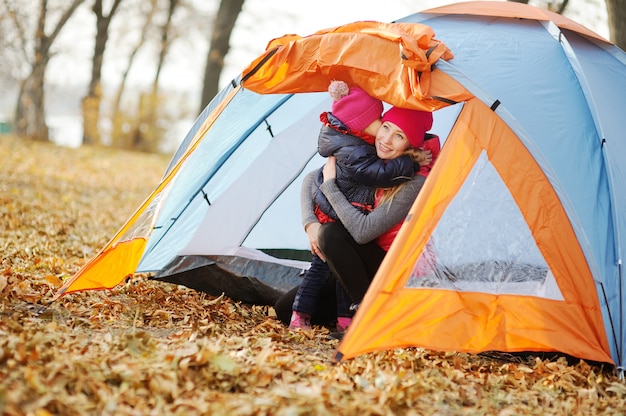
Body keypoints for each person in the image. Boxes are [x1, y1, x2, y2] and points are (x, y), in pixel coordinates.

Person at [277, 105, 435, 333]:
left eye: (399, 136)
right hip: (356, 265)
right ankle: (352, 312)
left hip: (393, 271)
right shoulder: (374, 158)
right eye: (386, 127)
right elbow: (313, 177)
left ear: (411, 145)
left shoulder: (414, 181)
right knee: (285, 309)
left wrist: (330, 187)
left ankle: (369, 318)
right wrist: (310, 223)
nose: (387, 140)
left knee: (331, 234)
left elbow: (362, 232)